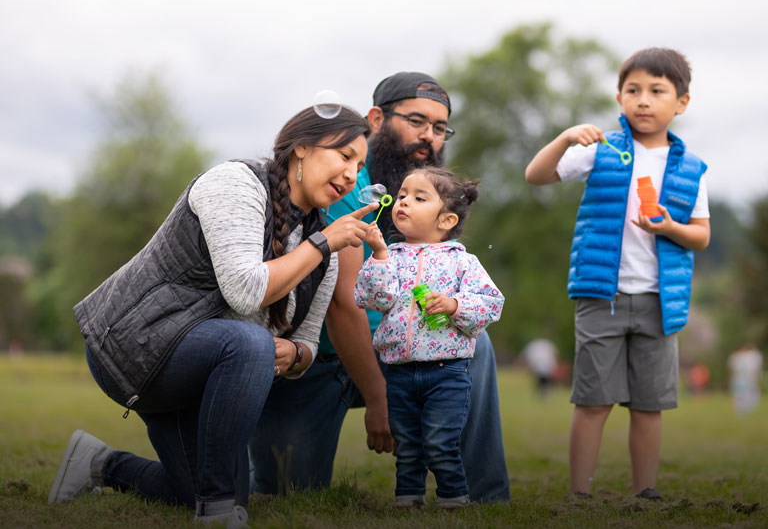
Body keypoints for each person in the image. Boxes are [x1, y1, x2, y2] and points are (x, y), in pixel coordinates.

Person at [48, 106, 378, 527]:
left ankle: (100, 463)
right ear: (301, 148)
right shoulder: (236, 183)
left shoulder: (323, 250)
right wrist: (321, 245)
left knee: (197, 488)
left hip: (202, 371)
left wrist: (293, 355)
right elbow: (245, 291)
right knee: (249, 345)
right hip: (132, 344)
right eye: (344, 156)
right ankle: (218, 514)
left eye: (360, 164)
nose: (353, 174)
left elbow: (309, 343)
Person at [249, 72, 511, 503]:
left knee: (472, 344)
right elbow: (343, 305)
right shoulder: (344, 182)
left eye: (440, 127)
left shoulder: (427, 197)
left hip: (415, 354)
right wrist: (378, 398)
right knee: (284, 490)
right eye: (416, 120)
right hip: (321, 361)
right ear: (377, 119)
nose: (429, 137)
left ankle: (484, 498)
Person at [525, 48, 711, 501]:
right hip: (600, 295)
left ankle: (645, 490)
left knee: (649, 406)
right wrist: (567, 138)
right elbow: (537, 175)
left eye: (656, 91)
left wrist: (669, 226)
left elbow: (701, 236)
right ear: (619, 97)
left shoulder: (690, 168)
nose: (643, 100)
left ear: (681, 103)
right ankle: (579, 492)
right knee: (592, 401)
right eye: (633, 91)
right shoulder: (602, 150)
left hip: (659, 301)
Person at [355, 166, 504, 508]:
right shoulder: (389, 256)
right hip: (399, 370)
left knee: (440, 442)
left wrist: (454, 305)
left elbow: (490, 304)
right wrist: (377, 254)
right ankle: (408, 499)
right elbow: (370, 298)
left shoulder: (462, 262)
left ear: (446, 221)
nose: (404, 202)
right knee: (407, 443)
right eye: (403, 194)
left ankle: (453, 499)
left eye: (419, 198)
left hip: (447, 370)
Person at [728, 344, 763, 415]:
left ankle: (746, 407)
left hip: (746, 379)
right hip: (739, 379)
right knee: (739, 394)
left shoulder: (747, 357)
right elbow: (732, 369)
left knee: (747, 393)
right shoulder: (736, 357)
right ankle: (739, 408)